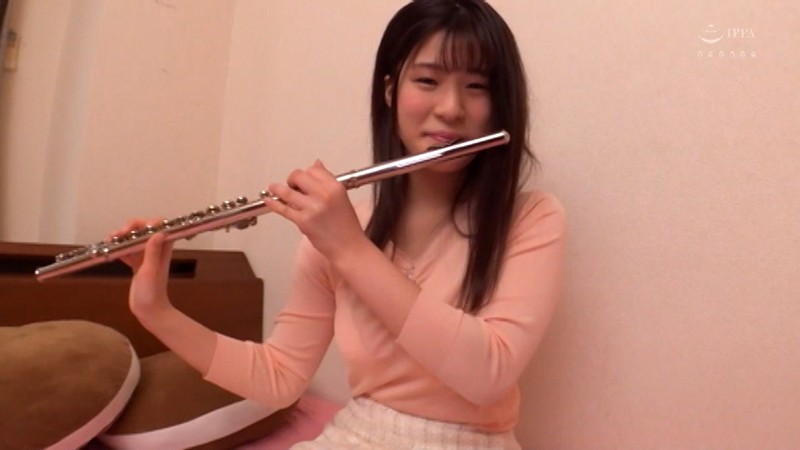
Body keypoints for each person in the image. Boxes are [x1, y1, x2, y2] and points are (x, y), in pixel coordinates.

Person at [112, 0, 566, 448]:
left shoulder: (531, 218)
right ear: (390, 91)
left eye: (477, 86)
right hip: (356, 435)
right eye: (427, 80)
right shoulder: (338, 229)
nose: (450, 108)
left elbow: (488, 374)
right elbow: (278, 378)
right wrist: (157, 311)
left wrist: (350, 248)